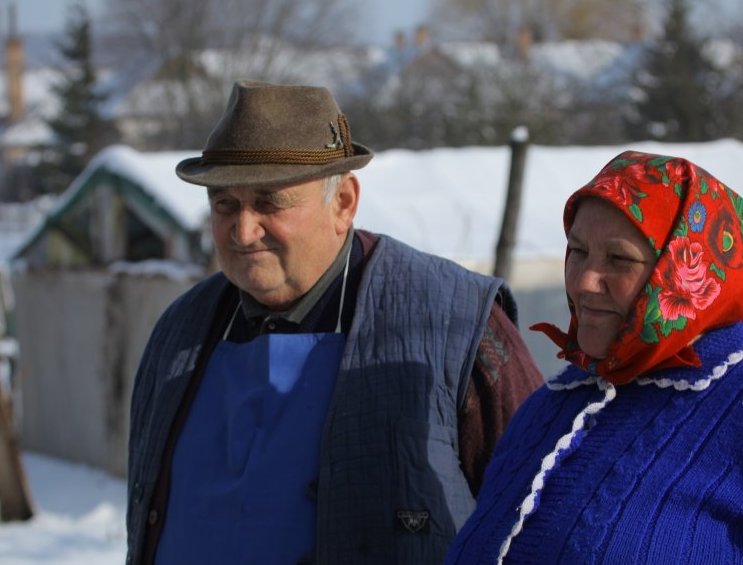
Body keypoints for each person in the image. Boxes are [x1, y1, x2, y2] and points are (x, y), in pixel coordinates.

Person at [123, 80, 544, 565]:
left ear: (342, 202)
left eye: (268, 202)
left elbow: (539, 509)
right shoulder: (181, 331)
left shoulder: (454, 324)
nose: (243, 230)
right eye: (225, 204)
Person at [444, 150, 743, 564]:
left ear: (686, 269)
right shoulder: (550, 407)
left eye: (619, 260)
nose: (585, 280)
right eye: (578, 252)